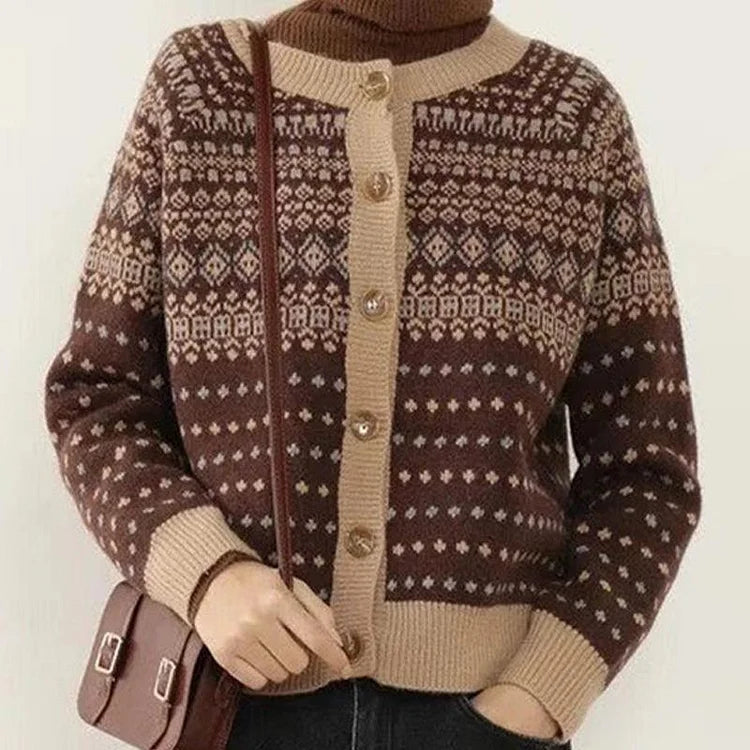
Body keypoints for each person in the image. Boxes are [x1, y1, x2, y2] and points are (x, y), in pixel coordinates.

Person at [43, 1, 702, 748]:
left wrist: (542, 692)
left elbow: (648, 468)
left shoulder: (573, 118)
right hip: (233, 704)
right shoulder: (200, 89)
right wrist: (207, 574)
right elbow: (97, 399)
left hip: (486, 720)